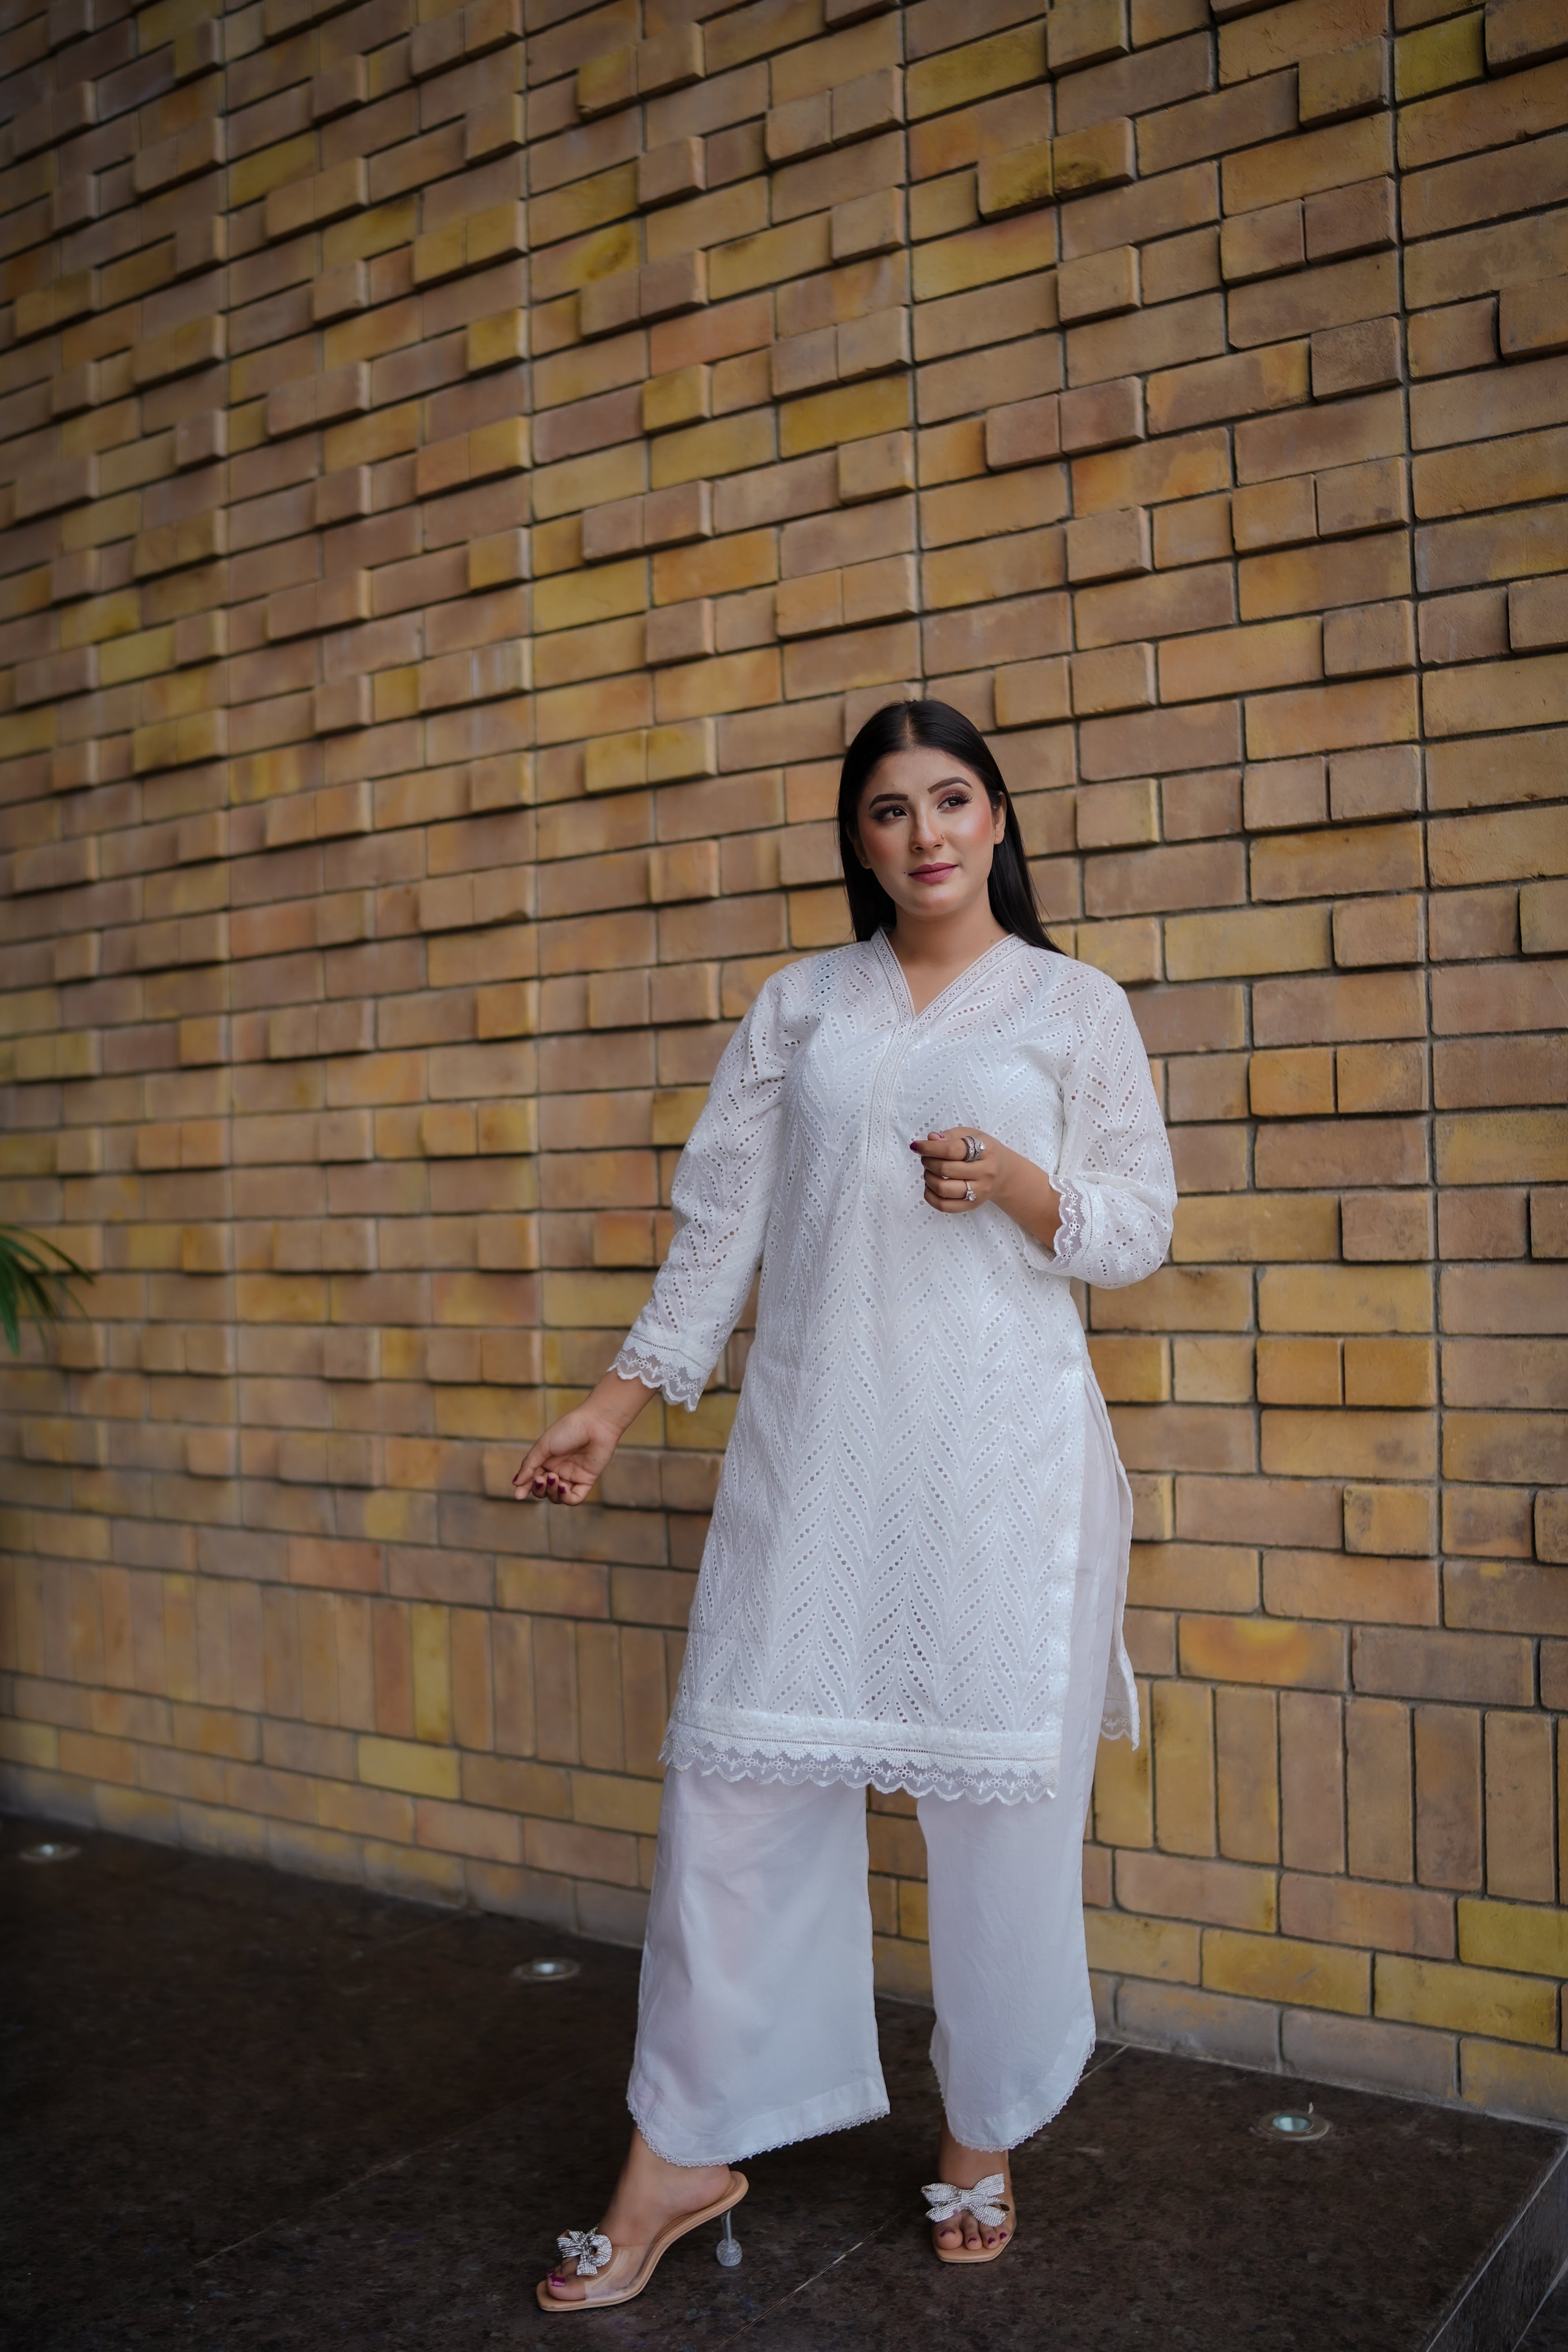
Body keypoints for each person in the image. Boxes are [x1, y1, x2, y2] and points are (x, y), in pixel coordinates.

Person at [516, 699, 1176, 2313]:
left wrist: (1021, 1185)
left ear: (1001, 820)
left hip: (1000, 1465)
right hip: (812, 1452)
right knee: (732, 1796)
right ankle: (684, 2144)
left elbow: (1138, 1225)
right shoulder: (801, 1007)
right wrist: (615, 1402)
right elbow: (721, 1227)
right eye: (889, 810)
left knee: (998, 1826)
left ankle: (984, 2133)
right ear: (858, 839)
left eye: (953, 801)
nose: (925, 834)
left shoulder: (1075, 1007)